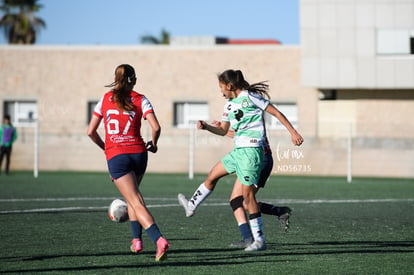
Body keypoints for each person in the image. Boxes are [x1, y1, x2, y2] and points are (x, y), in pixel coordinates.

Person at [178, 69, 303, 251]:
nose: (220, 91)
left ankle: (258, 240)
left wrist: (293, 132)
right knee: (213, 175)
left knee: (246, 198)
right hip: (238, 151)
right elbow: (224, 130)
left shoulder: (250, 97)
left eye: (221, 87)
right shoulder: (228, 105)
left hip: (252, 153)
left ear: (229, 86)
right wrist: (206, 127)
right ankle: (191, 206)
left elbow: (276, 113)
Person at [87, 64, 169, 262]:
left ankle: (158, 240)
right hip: (139, 154)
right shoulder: (141, 99)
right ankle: (136, 241)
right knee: (134, 198)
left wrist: (106, 148)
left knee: (135, 200)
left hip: (118, 155)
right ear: (134, 80)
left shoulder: (105, 99)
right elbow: (156, 127)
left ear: (115, 79)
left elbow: (91, 131)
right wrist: (154, 144)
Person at [212, 121, 293, 248]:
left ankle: (251, 238)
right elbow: (239, 135)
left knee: (241, 201)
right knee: (239, 201)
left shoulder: (250, 111)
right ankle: (278, 212)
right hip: (252, 159)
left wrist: (219, 130)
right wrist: (221, 129)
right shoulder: (246, 111)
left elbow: (242, 136)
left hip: (258, 160)